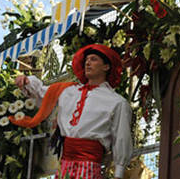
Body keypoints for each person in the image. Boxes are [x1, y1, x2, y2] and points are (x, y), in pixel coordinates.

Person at [9, 44, 132, 179]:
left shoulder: (117, 102)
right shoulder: (69, 91)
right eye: (86, 60)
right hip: (65, 166)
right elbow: (43, 93)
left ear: (106, 67)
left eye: (94, 59)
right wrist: (27, 82)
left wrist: (119, 174)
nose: (88, 63)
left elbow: (121, 138)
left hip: (90, 167)